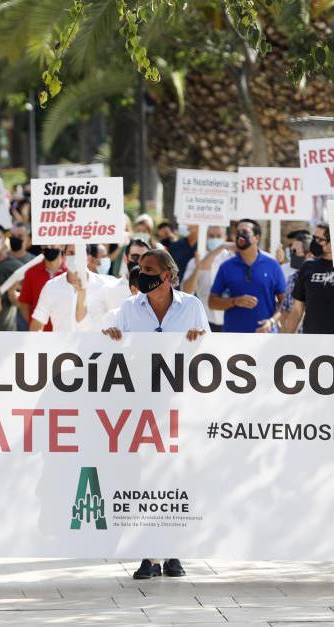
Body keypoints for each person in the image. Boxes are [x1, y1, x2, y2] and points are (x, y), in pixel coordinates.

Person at [102, 248, 205, 581]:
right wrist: (112, 339)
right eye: (138, 267)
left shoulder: (191, 307)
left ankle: (174, 551)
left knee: (174, 477)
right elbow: (106, 346)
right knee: (142, 479)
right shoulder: (129, 310)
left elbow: (211, 353)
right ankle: (147, 555)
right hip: (139, 406)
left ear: (165, 275)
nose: (139, 272)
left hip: (179, 406)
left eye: (146, 269)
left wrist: (197, 341)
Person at [208, 219, 286, 333]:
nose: (240, 235)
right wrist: (235, 301)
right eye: (238, 231)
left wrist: (272, 322)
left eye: (245, 232)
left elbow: (284, 303)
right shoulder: (226, 267)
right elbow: (212, 302)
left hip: (265, 337)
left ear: (257, 238)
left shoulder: (272, 265)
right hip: (233, 338)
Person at [31, 245, 130, 332]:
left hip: (95, 351)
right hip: (62, 350)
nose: (74, 257)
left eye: (79, 253)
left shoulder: (107, 284)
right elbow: (37, 324)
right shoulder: (51, 287)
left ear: (88, 258)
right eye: (71, 253)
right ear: (64, 256)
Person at [180, 226, 232, 332]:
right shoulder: (195, 261)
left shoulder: (233, 259)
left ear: (225, 237)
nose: (215, 239)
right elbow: (186, 292)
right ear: (205, 237)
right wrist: (198, 268)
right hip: (205, 321)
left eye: (218, 236)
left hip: (230, 320)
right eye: (211, 236)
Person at [18, 244, 67, 330]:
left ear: (62, 246)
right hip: (39, 333)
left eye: (52, 244)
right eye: (44, 245)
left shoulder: (70, 273)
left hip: (64, 332)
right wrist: (34, 323)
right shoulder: (31, 273)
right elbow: (24, 303)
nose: (48, 248)